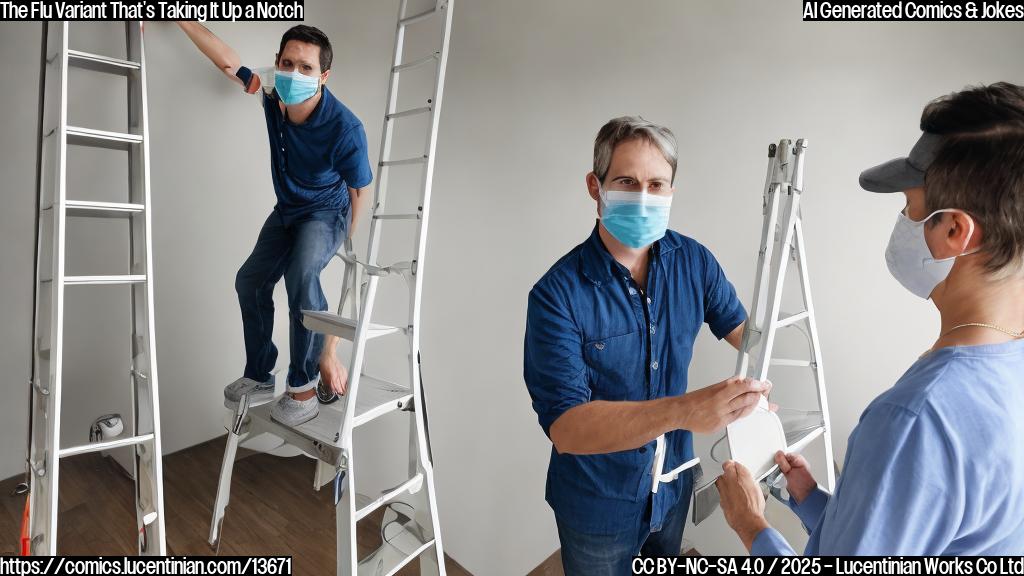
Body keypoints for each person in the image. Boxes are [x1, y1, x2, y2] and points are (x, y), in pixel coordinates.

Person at [716, 82, 1024, 555]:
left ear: (956, 231)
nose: (902, 221)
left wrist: (751, 526)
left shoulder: (914, 421)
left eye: (910, 208)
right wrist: (818, 503)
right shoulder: (1007, 368)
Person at [523, 116, 772, 574]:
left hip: (672, 485)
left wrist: (760, 381)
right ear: (594, 187)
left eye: (657, 184)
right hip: (598, 502)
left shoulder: (694, 262)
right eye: (626, 181)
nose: (643, 196)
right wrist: (685, 410)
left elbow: (747, 337)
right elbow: (567, 428)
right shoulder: (556, 296)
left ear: (671, 192)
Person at [178, 23, 372, 426]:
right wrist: (180, 16)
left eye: (305, 67)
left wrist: (343, 240)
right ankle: (260, 373)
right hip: (287, 210)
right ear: (277, 63)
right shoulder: (272, 90)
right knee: (249, 280)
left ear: (323, 76)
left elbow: (360, 193)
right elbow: (228, 62)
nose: (294, 74)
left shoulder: (345, 129)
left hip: (326, 213)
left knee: (302, 275)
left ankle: (301, 388)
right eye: (287, 63)